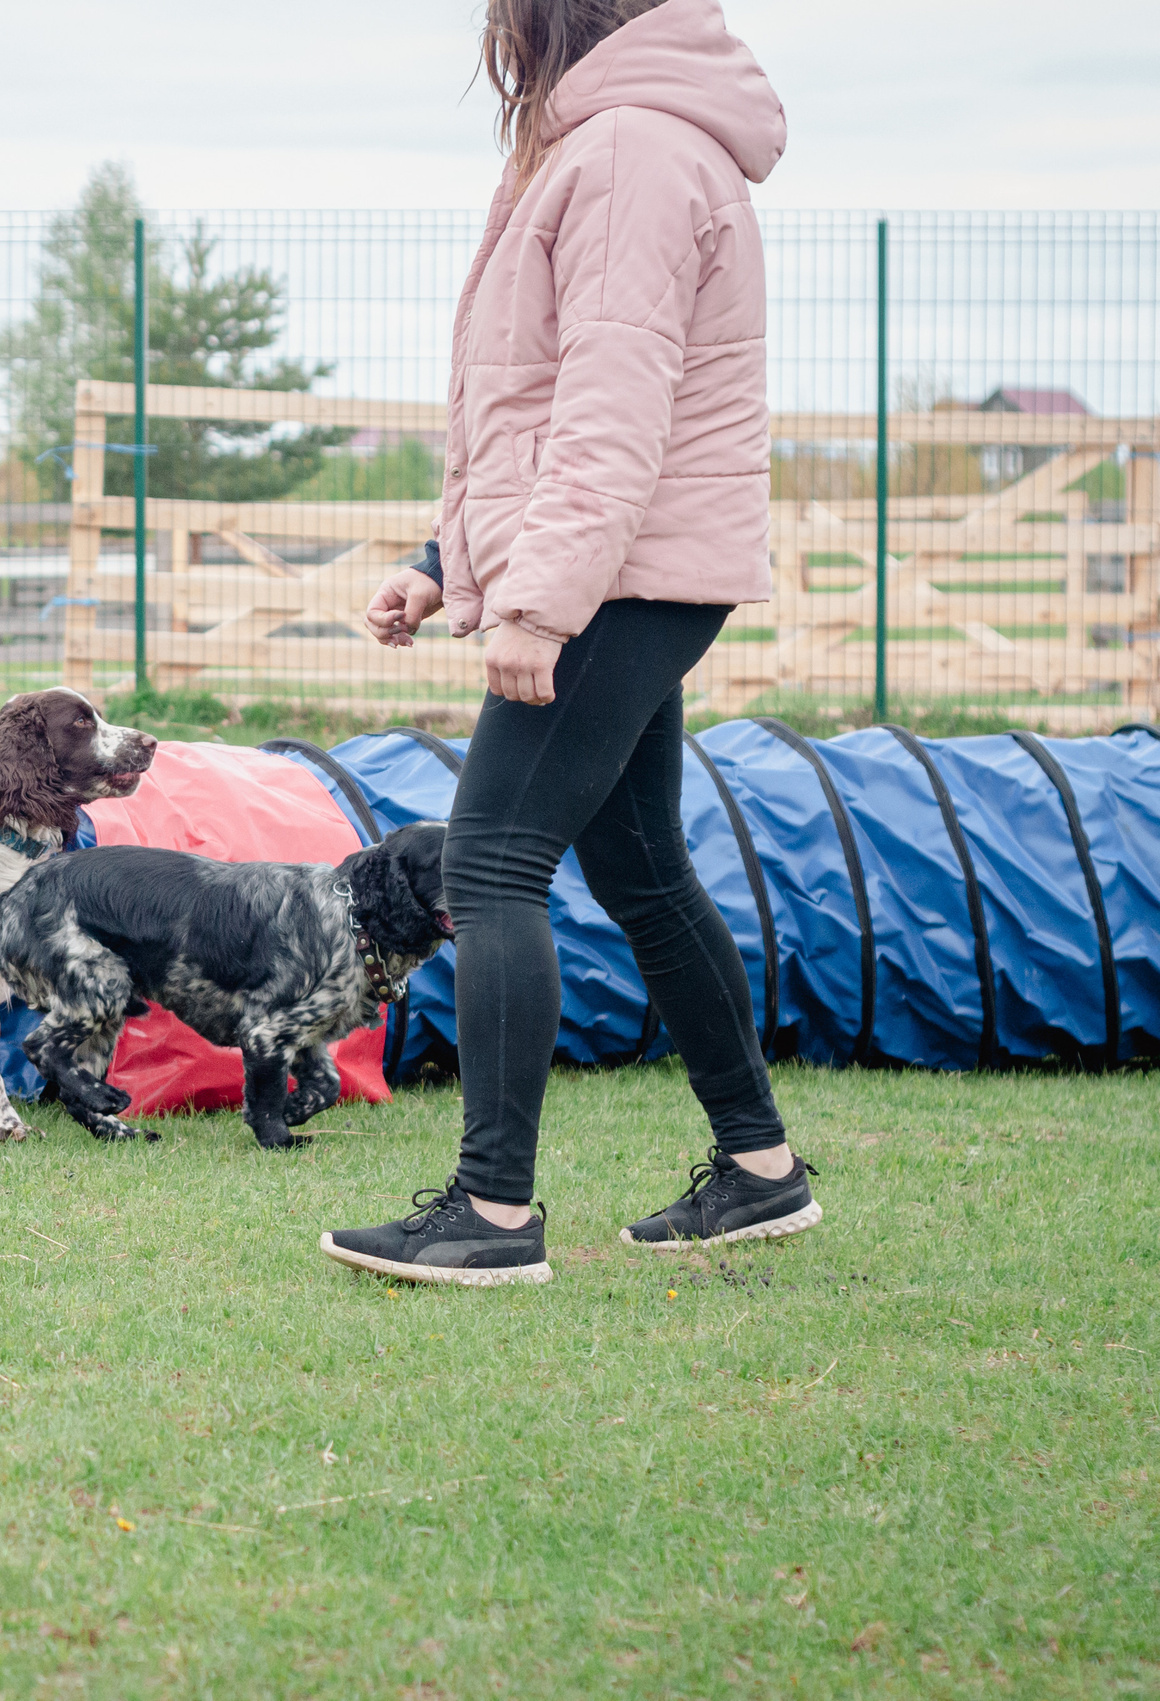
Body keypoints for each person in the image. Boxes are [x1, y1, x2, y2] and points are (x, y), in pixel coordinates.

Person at [323, 0, 817, 1286]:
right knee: (642, 870)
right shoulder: (597, 142)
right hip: (622, 565)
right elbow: (529, 401)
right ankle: (760, 1173)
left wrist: (539, 603)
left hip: (621, 577)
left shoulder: (634, 151)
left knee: (487, 862)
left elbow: (613, 400)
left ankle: (490, 1217)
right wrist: (448, 564)